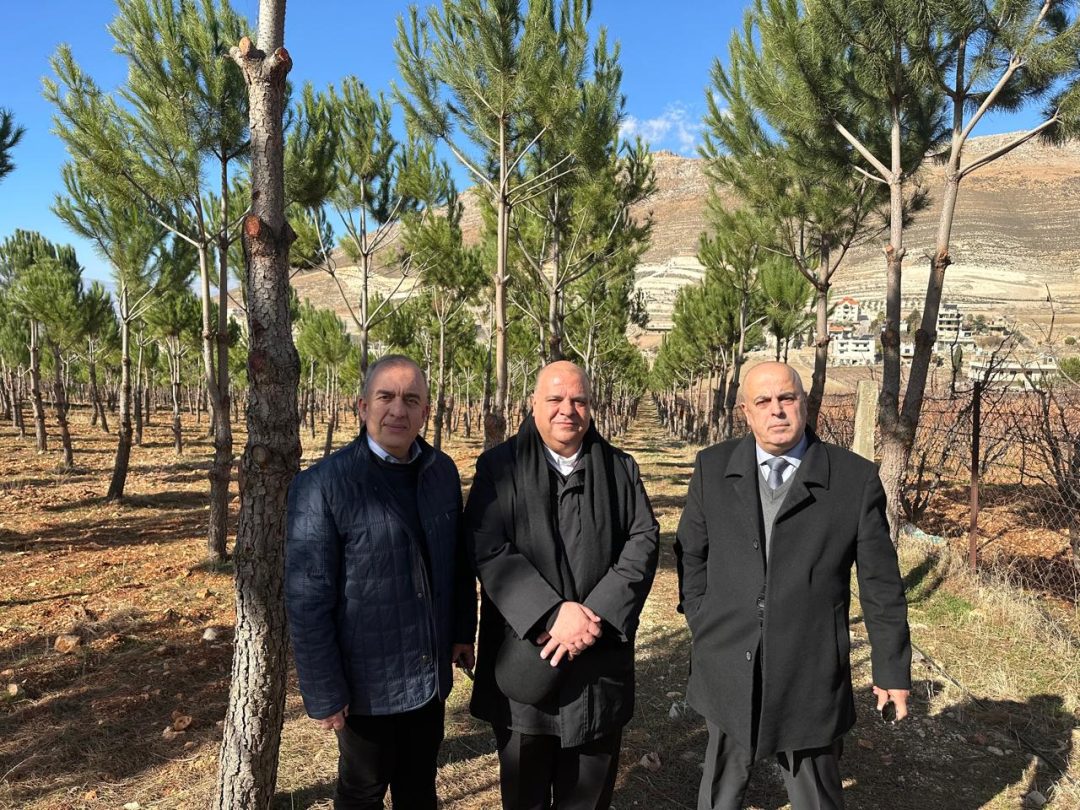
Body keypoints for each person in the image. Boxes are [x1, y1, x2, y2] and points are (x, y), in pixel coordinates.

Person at [674, 362, 911, 810]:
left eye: (787, 398)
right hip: (728, 656)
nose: (776, 410)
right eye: (763, 401)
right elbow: (691, 552)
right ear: (746, 412)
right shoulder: (712, 467)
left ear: (805, 403)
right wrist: (702, 616)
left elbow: (880, 582)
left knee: (814, 791)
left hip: (810, 664)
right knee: (721, 785)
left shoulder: (853, 479)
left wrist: (891, 670)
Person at [284, 354, 476, 810]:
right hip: (366, 682)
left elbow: (457, 562)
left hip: (429, 673)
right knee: (362, 791)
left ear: (425, 412)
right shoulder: (323, 485)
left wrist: (461, 632)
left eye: (411, 400)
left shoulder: (441, 472)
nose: (397, 410)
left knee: (419, 784)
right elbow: (308, 598)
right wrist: (324, 689)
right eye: (386, 397)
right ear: (362, 406)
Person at [465, 360, 660, 810]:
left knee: (587, 799)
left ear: (591, 406)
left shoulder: (620, 468)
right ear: (533, 403)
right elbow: (487, 545)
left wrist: (595, 616)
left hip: (597, 663)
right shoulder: (499, 467)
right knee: (524, 798)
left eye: (578, 400)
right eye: (555, 399)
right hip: (525, 658)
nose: (567, 410)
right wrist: (552, 614)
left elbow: (644, 540)